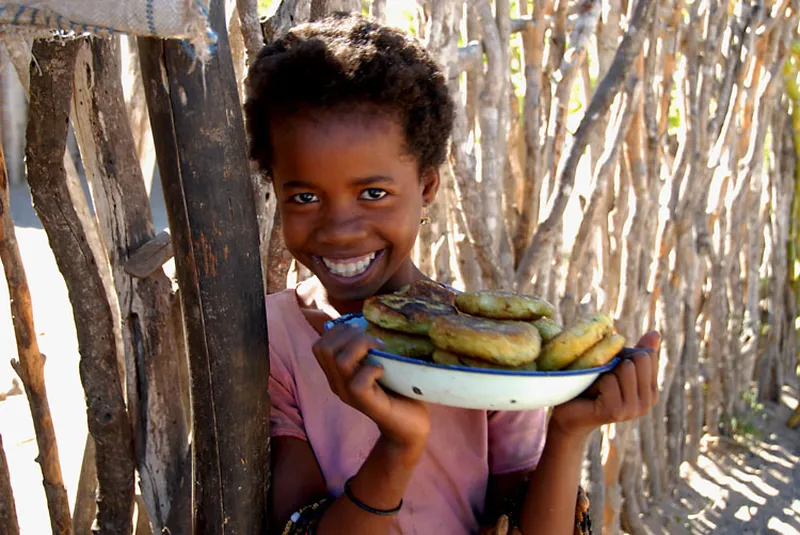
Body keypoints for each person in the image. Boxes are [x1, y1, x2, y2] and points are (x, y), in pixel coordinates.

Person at [243, 12, 660, 535]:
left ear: (428, 186)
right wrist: (399, 445)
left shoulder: (486, 354)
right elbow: (296, 525)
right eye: (304, 197)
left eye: (373, 193)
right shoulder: (275, 338)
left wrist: (569, 433)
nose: (341, 229)